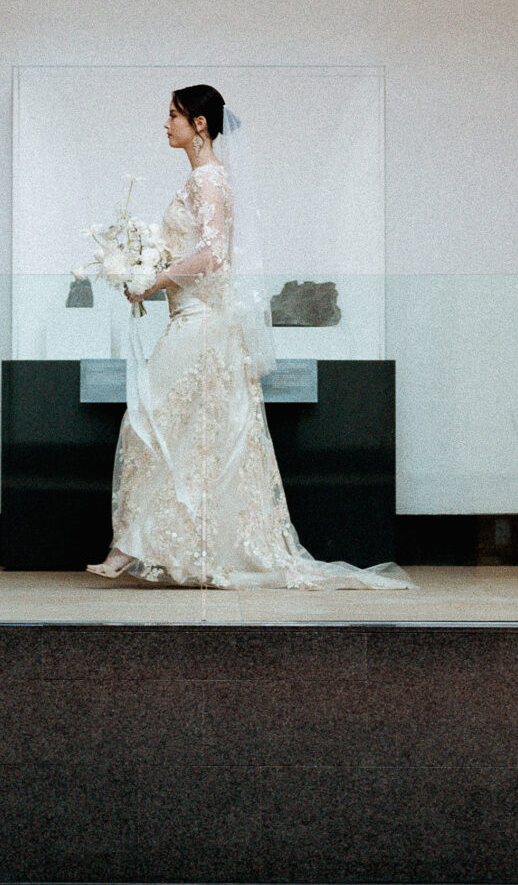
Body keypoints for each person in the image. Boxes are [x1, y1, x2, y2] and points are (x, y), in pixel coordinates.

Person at [87, 83, 407, 590]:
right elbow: (198, 255)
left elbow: (215, 256)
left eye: (173, 115)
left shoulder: (209, 179)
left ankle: (133, 547)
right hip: (190, 318)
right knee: (180, 428)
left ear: (199, 125)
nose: (165, 124)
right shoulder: (201, 179)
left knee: (159, 419)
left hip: (202, 323)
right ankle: (144, 544)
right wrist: (146, 275)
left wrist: (156, 277)